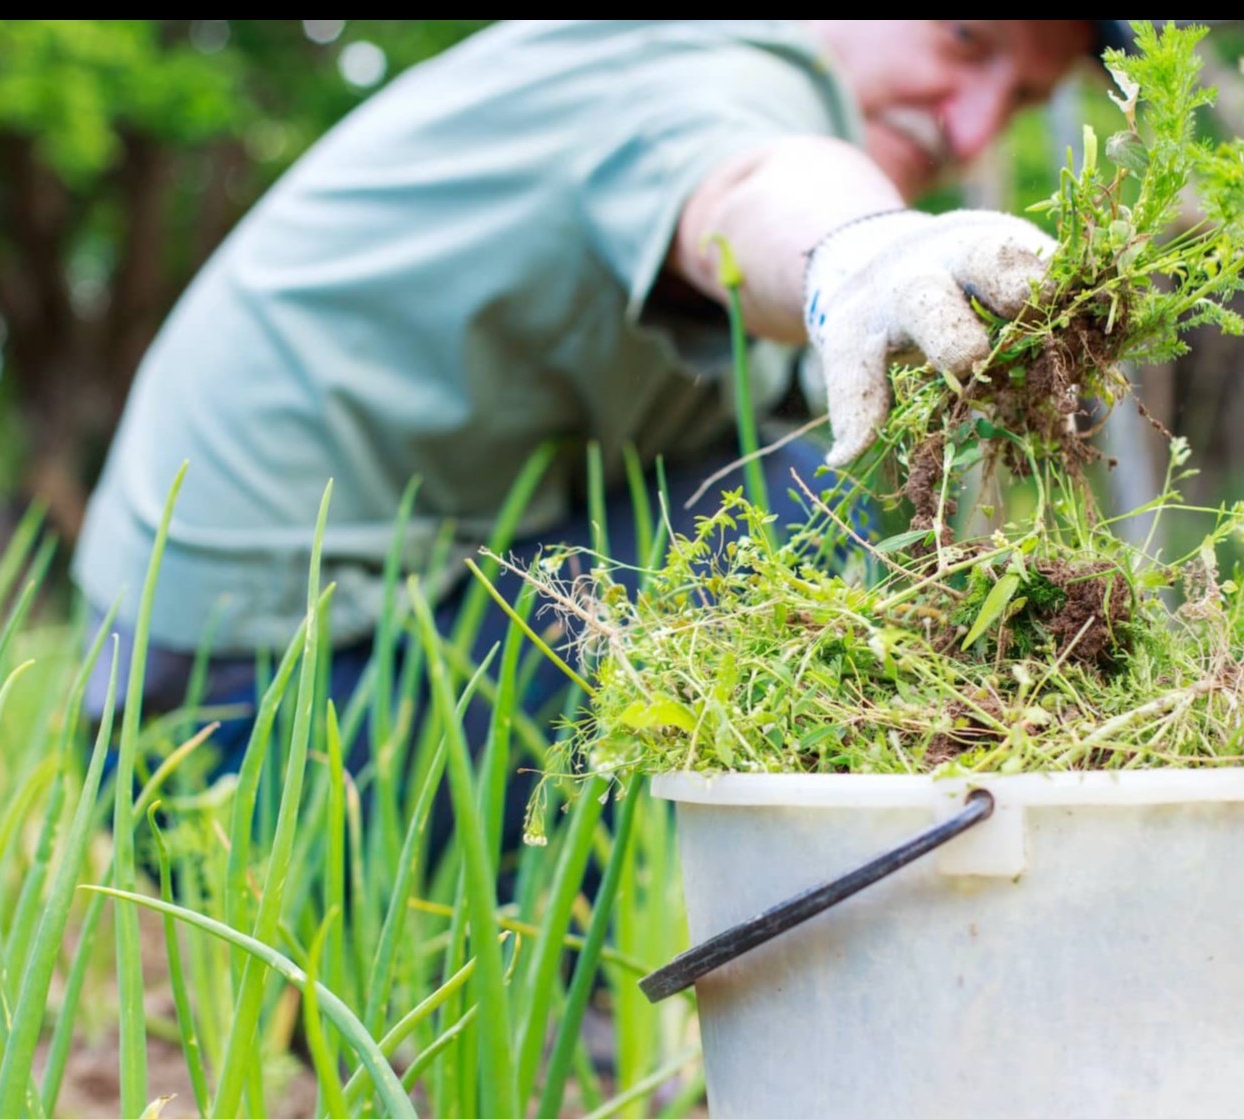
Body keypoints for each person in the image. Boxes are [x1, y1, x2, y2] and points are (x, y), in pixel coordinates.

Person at [74, 20, 1109, 788]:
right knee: (808, 509)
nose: (971, 122)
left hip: (273, 680)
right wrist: (862, 248)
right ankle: (542, 964)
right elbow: (748, 182)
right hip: (228, 721)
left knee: (806, 470)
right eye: (969, 40)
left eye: (1018, 99)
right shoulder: (702, 60)